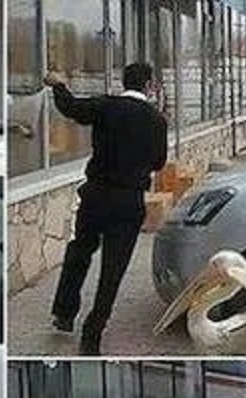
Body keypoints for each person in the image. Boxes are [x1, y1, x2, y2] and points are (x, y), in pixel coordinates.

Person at [43, 62, 170, 356]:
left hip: (96, 196)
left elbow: (71, 108)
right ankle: (93, 332)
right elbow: (158, 163)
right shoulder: (156, 120)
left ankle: (64, 313)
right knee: (112, 271)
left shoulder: (106, 106)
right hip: (129, 202)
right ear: (149, 85)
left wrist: (58, 84)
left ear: (124, 82)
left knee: (79, 252)